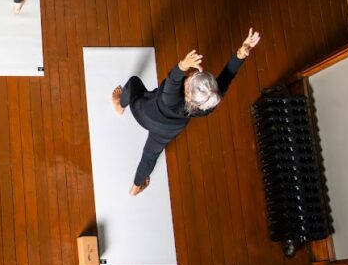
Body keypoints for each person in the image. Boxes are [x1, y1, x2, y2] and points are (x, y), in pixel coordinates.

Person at [112, 28, 262, 195]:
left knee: (133, 83)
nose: (191, 74)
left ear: (190, 94)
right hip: (167, 131)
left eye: (191, 78)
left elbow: (172, 79)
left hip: (144, 113)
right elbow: (227, 76)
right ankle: (136, 186)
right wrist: (241, 53)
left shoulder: (170, 98)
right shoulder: (206, 106)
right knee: (150, 155)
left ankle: (120, 106)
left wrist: (183, 64)